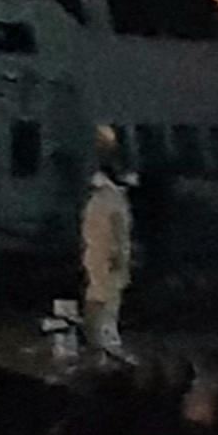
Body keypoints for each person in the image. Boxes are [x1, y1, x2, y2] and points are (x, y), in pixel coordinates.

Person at [77, 152, 134, 357]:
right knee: (106, 297)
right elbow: (116, 230)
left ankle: (96, 338)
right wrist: (118, 255)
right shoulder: (111, 198)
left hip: (99, 254)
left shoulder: (101, 197)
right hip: (106, 255)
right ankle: (103, 338)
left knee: (99, 294)